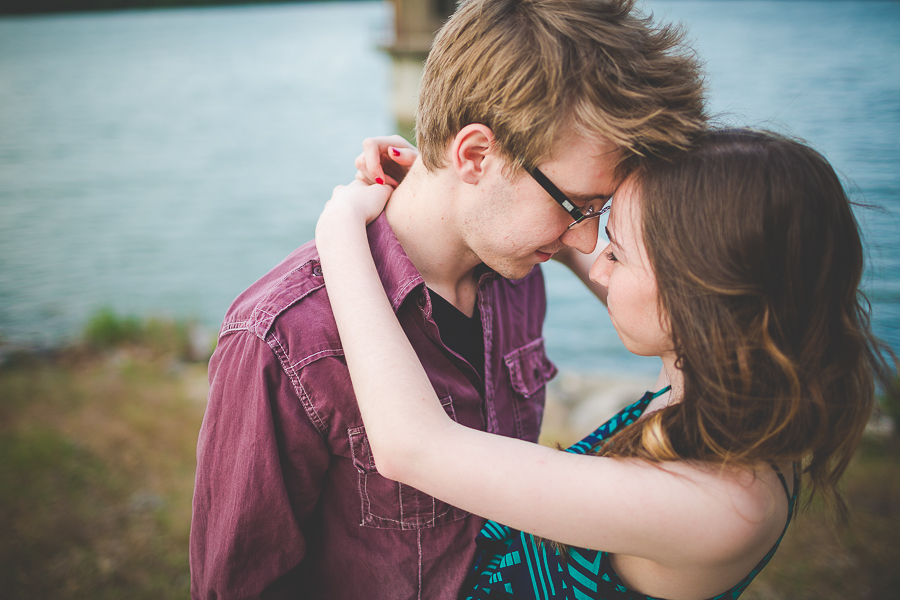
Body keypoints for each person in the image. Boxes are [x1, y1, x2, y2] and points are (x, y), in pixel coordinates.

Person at [190, 0, 705, 598]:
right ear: (475, 155)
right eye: (575, 205)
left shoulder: (517, 269)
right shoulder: (282, 339)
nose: (588, 241)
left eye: (600, 209)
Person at [315, 128, 897, 599]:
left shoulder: (717, 505)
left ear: (696, 297)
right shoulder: (729, 388)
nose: (596, 265)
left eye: (616, 250)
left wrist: (339, 228)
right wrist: (469, 193)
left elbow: (410, 447)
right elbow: (613, 274)